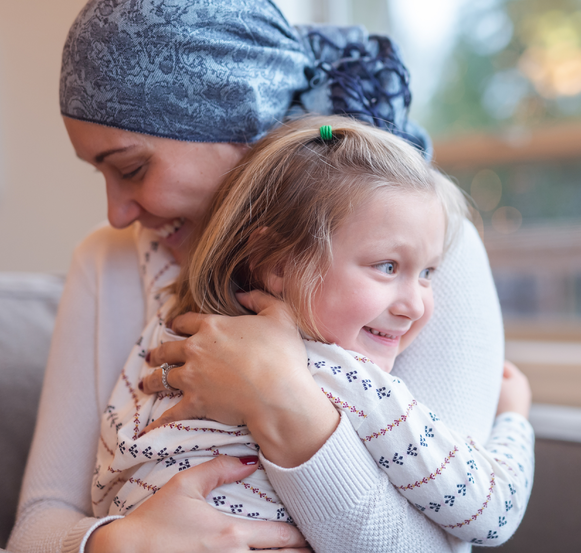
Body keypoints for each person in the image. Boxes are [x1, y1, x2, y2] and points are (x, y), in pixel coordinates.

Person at [9, 0, 520, 552]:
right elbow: (41, 520)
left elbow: (451, 538)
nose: (118, 212)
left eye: (131, 168)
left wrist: (282, 400)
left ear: (237, 114)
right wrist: (116, 543)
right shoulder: (108, 261)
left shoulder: (421, 257)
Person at [94, 116, 533, 546]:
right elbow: (491, 513)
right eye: (387, 267)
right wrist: (513, 418)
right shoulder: (348, 379)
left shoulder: (168, 331)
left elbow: (102, 490)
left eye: (427, 274)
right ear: (277, 263)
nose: (415, 305)